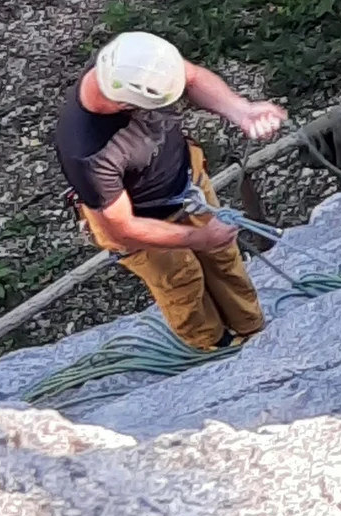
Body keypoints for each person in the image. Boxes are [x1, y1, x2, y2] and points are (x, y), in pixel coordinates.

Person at [54, 30, 287, 349]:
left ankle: (254, 330)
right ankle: (213, 346)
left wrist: (240, 111)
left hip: (186, 183)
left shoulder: (131, 61)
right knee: (182, 282)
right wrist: (199, 238)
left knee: (224, 258)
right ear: (125, 103)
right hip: (139, 218)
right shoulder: (89, 153)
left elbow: (191, 77)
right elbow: (124, 228)